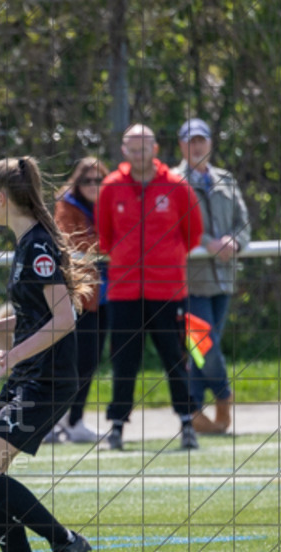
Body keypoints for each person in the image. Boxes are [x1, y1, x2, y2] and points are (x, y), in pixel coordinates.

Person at [0, 156, 94, 552]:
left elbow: (63, 319)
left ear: (0, 198)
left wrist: (12, 352)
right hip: (29, 375)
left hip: (47, 378)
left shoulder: (37, 246)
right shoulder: (27, 245)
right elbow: (38, 312)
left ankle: (65, 542)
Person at [98, 124, 204, 450]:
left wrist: (165, 260)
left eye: (144, 146)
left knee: (175, 357)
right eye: (132, 146)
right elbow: (105, 237)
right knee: (124, 360)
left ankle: (187, 422)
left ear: (155, 149)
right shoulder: (111, 187)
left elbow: (193, 233)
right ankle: (117, 425)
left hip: (168, 290)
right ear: (123, 150)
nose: (139, 151)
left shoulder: (176, 186)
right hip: (124, 291)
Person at [174, 118, 250, 434]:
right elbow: (173, 227)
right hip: (191, 280)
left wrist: (234, 241)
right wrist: (208, 243)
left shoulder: (226, 179)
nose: (197, 146)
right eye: (190, 141)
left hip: (223, 279)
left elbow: (243, 223)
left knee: (201, 348)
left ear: (210, 143)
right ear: (181, 146)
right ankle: (222, 396)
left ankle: (192, 413)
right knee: (204, 345)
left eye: (201, 140)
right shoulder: (173, 182)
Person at [47, 157, 111, 443]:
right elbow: (80, 245)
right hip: (77, 298)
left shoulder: (110, 204)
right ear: (77, 182)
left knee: (90, 361)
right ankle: (49, 422)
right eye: (87, 181)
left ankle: (75, 421)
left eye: (99, 180)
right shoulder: (67, 207)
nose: (94, 187)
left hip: (106, 297)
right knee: (65, 363)